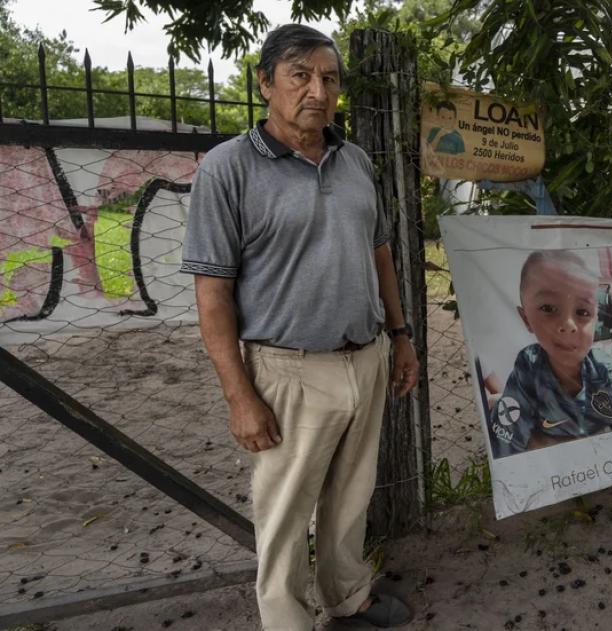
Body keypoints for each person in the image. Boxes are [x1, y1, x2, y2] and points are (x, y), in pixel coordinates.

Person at [182, 24, 419, 631]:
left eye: (330, 78)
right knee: (285, 515)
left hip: (364, 358)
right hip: (287, 370)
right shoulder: (227, 170)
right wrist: (239, 395)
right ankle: (288, 621)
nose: (318, 90)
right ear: (265, 83)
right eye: (301, 75)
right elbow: (213, 294)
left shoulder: (355, 159)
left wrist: (400, 336)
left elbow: (381, 252)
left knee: (351, 497)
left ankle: (347, 598)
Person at [487, 250, 612, 458]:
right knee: (497, 408)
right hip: (565, 428)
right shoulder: (529, 365)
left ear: (596, 321)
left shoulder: (605, 369)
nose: (568, 325)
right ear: (526, 319)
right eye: (548, 308)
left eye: (583, 312)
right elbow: (508, 446)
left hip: (606, 420)